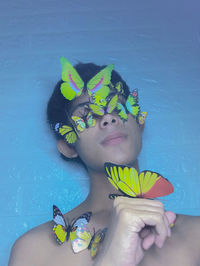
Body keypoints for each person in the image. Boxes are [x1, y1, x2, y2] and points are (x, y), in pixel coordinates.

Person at [8, 57, 200, 266]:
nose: (108, 118)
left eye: (117, 107)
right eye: (87, 114)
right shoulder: (34, 251)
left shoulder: (196, 235)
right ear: (69, 146)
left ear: (139, 123)